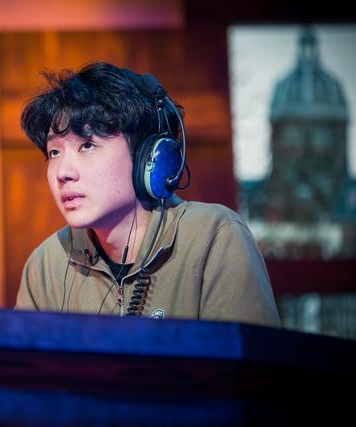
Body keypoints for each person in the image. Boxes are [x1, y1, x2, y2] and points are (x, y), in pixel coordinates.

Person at [14, 62, 281, 327]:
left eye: (87, 145)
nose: (63, 172)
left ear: (148, 156)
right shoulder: (46, 265)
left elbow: (248, 355)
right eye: (54, 152)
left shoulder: (214, 237)